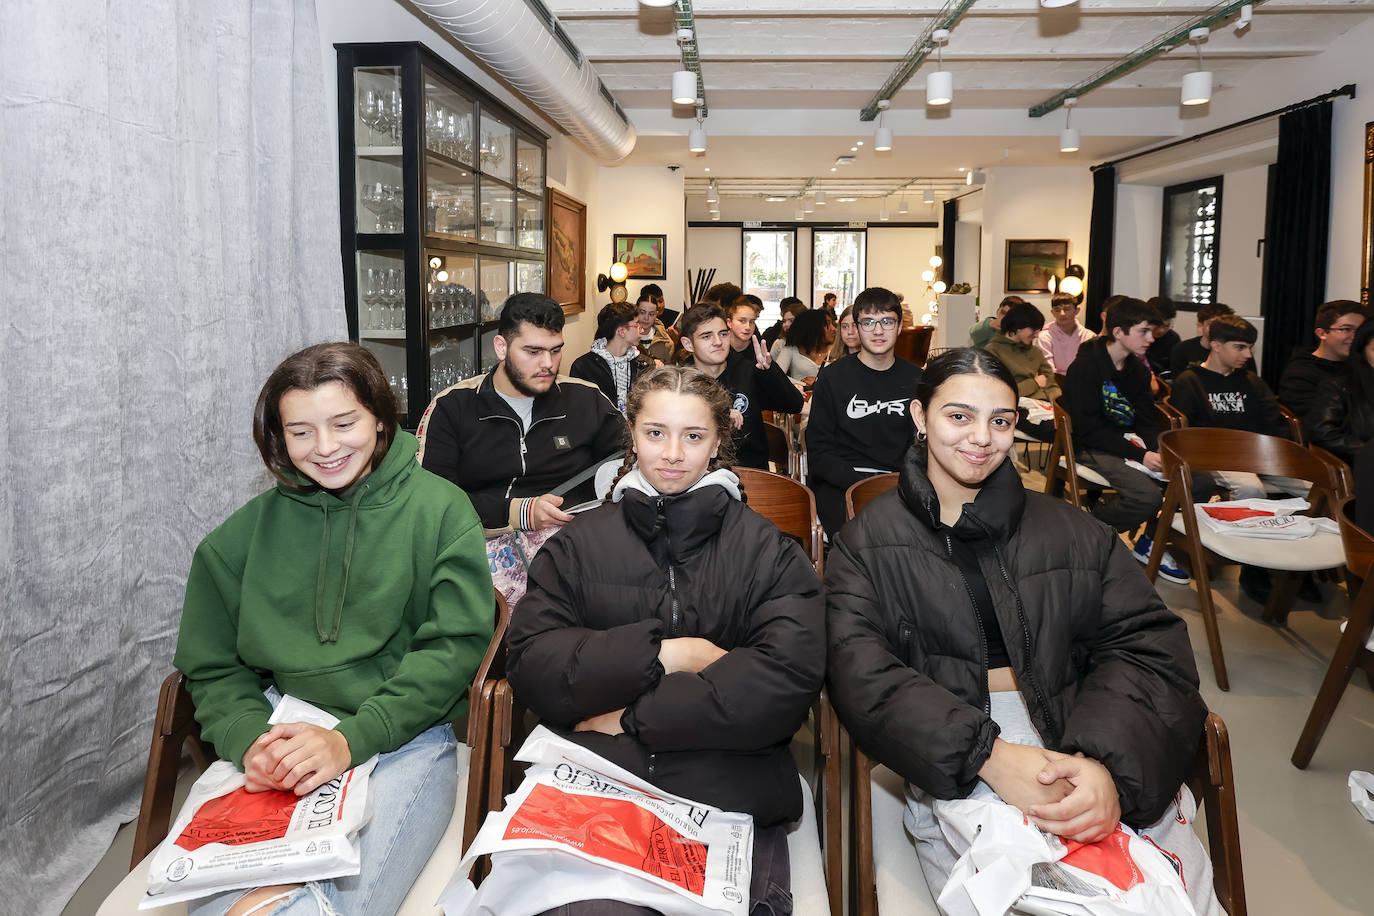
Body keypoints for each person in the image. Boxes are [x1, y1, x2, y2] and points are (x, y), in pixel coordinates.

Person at [824, 348, 1218, 915]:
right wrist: (989, 755)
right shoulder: (866, 545)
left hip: (1090, 722)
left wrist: (1105, 767)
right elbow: (862, 675)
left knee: (1170, 897)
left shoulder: (1075, 532)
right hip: (954, 747)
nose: (981, 438)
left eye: (1000, 421)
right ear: (919, 416)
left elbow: (1149, 647)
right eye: (958, 416)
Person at [174, 342, 495, 916]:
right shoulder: (240, 537)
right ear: (277, 437)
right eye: (300, 432)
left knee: (334, 906)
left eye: (343, 423)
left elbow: (453, 650)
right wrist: (249, 738)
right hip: (281, 727)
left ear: (379, 417)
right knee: (218, 900)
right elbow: (210, 663)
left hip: (404, 734)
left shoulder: (442, 510)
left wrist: (350, 739)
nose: (324, 448)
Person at [507, 366, 825, 915]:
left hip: (728, 783)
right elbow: (535, 661)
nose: (672, 453)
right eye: (656, 433)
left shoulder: (766, 551)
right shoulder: (578, 546)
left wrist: (630, 717)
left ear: (719, 441)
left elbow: (783, 682)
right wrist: (665, 654)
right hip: (603, 779)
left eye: (693, 436)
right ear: (631, 434)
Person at [418, 293, 624, 533]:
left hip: (572, 543)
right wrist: (518, 513)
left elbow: (627, 463)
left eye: (555, 350)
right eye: (533, 352)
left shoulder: (587, 400)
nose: (548, 363)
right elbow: (430, 501)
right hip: (478, 546)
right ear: (501, 347)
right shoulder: (452, 408)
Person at [1172, 314, 1311, 603]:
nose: (1247, 355)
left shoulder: (1251, 381)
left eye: (1250, 348)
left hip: (1259, 455)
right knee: (1251, 490)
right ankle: (1253, 567)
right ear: (1215, 345)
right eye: (1240, 347)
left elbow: (1273, 423)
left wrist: (1274, 455)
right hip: (1218, 455)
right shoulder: (1191, 381)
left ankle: (1298, 566)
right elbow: (1188, 433)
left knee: (1314, 487)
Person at [1063, 297, 1192, 583]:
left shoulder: (1137, 370)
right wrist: (1140, 454)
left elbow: (1146, 419)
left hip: (1128, 442)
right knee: (1147, 497)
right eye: (1143, 331)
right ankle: (1086, 532)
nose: (1151, 339)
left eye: (1152, 332)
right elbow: (1089, 430)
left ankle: (1150, 542)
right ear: (1119, 332)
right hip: (1093, 445)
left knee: (1198, 482)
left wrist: (1155, 449)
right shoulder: (1086, 367)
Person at [805, 286, 922, 535]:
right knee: (861, 542)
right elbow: (819, 449)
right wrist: (861, 486)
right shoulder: (833, 377)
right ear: (857, 328)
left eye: (887, 322)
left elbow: (923, 448)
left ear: (900, 327)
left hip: (898, 484)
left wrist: (895, 485)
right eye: (868, 322)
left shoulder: (918, 380)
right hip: (842, 485)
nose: (878, 330)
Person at [678, 303, 804, 470]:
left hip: (750, 474)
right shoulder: (680, 381)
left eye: (723, 334)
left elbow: (794, 404)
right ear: (688, 344)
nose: (718, 342)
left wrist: (769, 372)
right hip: (697, 475)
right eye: (707, 336)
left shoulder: (748, 371)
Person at [1279, 299, 1366, 418]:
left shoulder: (1361, 365)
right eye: (1346, 329)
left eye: (1360, 331)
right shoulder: (1300, 375)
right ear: (1322, 333)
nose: (1355, 337)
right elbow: (1321, 421)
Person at [986, 301, 1060, 442]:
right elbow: (1002, 393)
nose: (1037, 335)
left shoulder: (1035, 352)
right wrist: (1035, 383)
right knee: (1059, 432)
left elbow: (1050, 382)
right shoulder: (993, 351)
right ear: (1018, 327)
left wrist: (1056, 404)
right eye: (1033, 330)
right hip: (1016, 408)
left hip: (1044, 405)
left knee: (1073, 425)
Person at [1304, 318, 1374, 465]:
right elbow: (1323, 433)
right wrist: (1367, 451)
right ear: (1363, 351)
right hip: (1360, 465)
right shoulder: (1338, 387)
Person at [570, 302, 651, 413]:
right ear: (621, 331)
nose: (641, 330)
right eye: (637, 325)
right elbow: (580, 410)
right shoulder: (584, 367)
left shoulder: (644, 365)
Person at [1168, 302, 1235, 377]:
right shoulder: (1181, 349)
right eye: (1212, 324)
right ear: (1200, 326)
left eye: (1223, 325)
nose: (1218, 329)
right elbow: (1179, 383)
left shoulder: (1235, 351)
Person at [771, 308, 834, 384]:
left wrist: (817, 382)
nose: (833, 328)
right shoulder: (791, 349)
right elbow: (776, 376)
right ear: (813, 328)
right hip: (800, 394)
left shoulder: (837, 350)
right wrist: (803, 384)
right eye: (827, 324)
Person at [1145, 296, 1181, 380]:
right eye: (1157, 325)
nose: (1161, 330)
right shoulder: (1137, 336)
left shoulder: (1173, 338)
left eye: (1167, 326)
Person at [635, 293, 675, 365]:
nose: (646, 318)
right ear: (636, 312)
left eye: (651, 314)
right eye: (642, 312)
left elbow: (669, 373)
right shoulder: (625, 338)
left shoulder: (667, 343)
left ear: (656, 314)